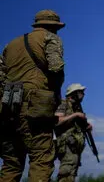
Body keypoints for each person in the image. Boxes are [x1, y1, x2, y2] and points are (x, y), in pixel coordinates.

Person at [0, 9, 66, 181]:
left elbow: (1, 76)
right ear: (54, 26)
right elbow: (56, 67)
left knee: (11, 162)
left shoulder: (11, 44)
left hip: (8, 104)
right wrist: (54, 95)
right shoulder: (50, 38)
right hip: (35, 106)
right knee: (41, 157)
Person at [54, 83, 92, 182]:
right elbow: (57, 121)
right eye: (80, 92)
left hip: (74, 146)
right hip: (66, 144)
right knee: (66, 173)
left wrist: (86, 126)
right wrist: (76, 115)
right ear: (73, 93)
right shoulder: (64, 104)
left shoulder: (76, 107)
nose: (83, 94)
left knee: (71, 173)